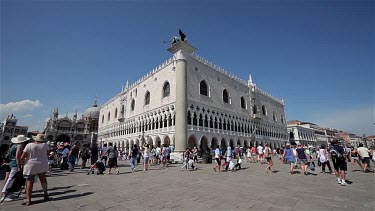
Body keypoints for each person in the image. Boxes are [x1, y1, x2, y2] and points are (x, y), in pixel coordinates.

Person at [20, 134, 50, 206]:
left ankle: (28, 200)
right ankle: (45, 194)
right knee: (43, 179)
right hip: (42, 164)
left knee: (29, 182)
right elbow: (48, 153)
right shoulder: (45, 145)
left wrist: (21, 164)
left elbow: (22, 157)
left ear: (35, 139)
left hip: (31, 165)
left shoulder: (29, 145)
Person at [1, 135, 29, 202]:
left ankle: (8, 192)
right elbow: (17, 156)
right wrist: (19, 165)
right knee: (11, 178)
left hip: (12, 162)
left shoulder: (14, 145)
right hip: (15, 163)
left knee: (12, 178)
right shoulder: (20, 146)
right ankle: (5, 192)